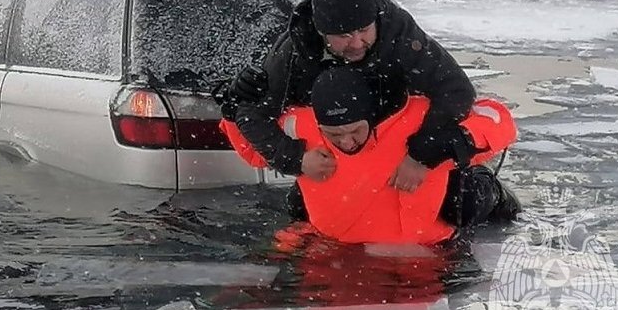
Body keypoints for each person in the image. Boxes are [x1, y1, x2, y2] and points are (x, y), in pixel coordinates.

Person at [221, 0, 480, 214]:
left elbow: (456, 91)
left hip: (399, 165)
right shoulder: (296, 52)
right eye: (344, 36)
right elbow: (252, 113)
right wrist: (296, 159)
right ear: (322, 34)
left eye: (364, 31)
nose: (356, 43)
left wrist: (422, 155)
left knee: (468, 200)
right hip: (336, 176)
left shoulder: (399, 36)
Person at [222, 67, 521, 243]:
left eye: (354, 131)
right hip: (341, 256)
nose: (346, 141)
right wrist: (234, 109)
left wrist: (443, 145)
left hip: (430, 253)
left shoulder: (419, 118)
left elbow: (499, 119)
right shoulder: (301, 124)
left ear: (372, 116)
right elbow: (253, 151)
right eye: (334, 134)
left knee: (469, 196)